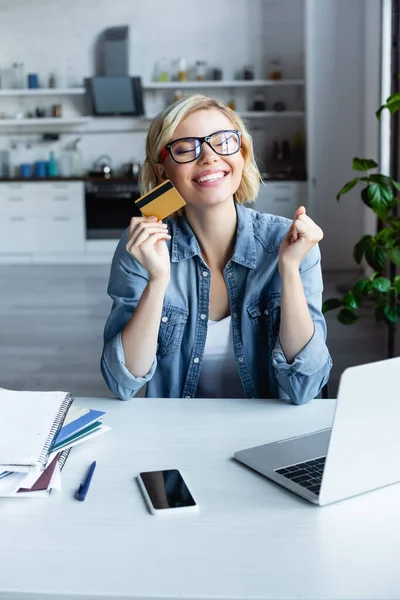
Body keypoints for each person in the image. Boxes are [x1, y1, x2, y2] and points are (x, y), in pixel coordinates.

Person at [101, 94, 332, 403]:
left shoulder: (291, 242)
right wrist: (157, 282)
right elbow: (122, 382)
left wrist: (288, 270)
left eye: (223, 142)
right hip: (180, 437)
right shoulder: (142, 248)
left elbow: (305, 387)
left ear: (243, 154)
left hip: (270, 434)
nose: (209, 157)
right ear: (163, 172)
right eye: (186, 148)